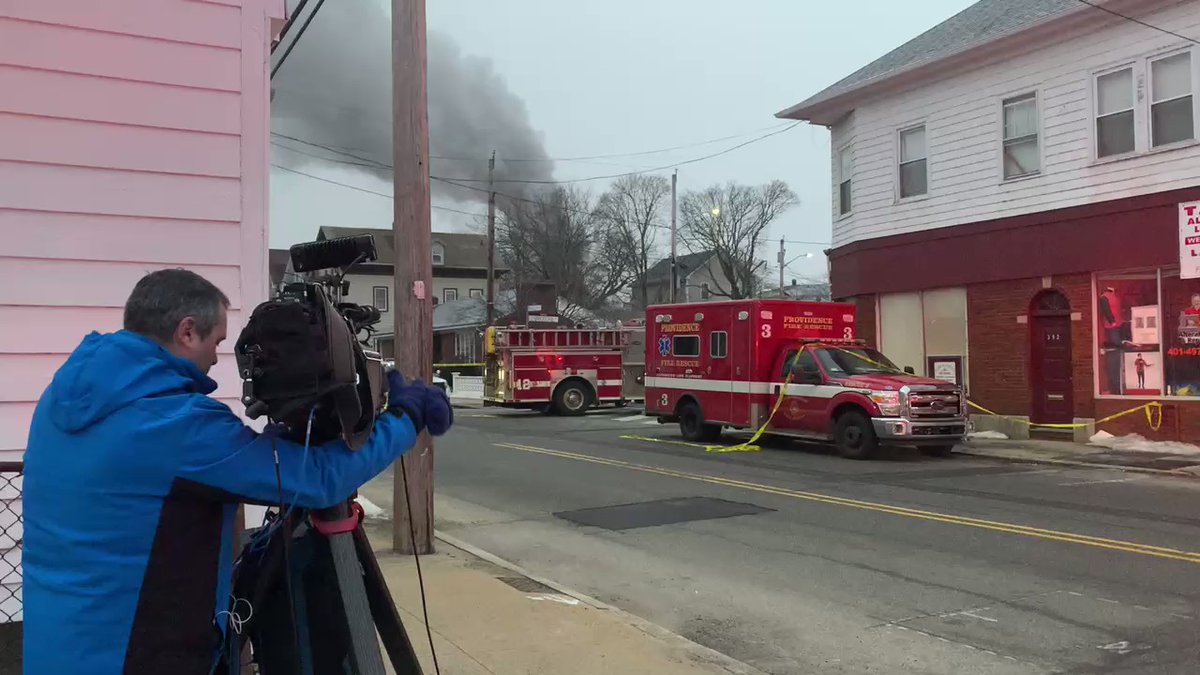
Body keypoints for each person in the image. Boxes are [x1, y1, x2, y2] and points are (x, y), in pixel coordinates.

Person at [21, 269, 453, 675]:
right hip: (136, 655)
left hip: (59, 644)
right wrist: (406, 418)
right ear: (186, 331)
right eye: (216, 342)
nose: (216, 358)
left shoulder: (71, 390)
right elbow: (320, 480)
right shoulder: (173, 423)